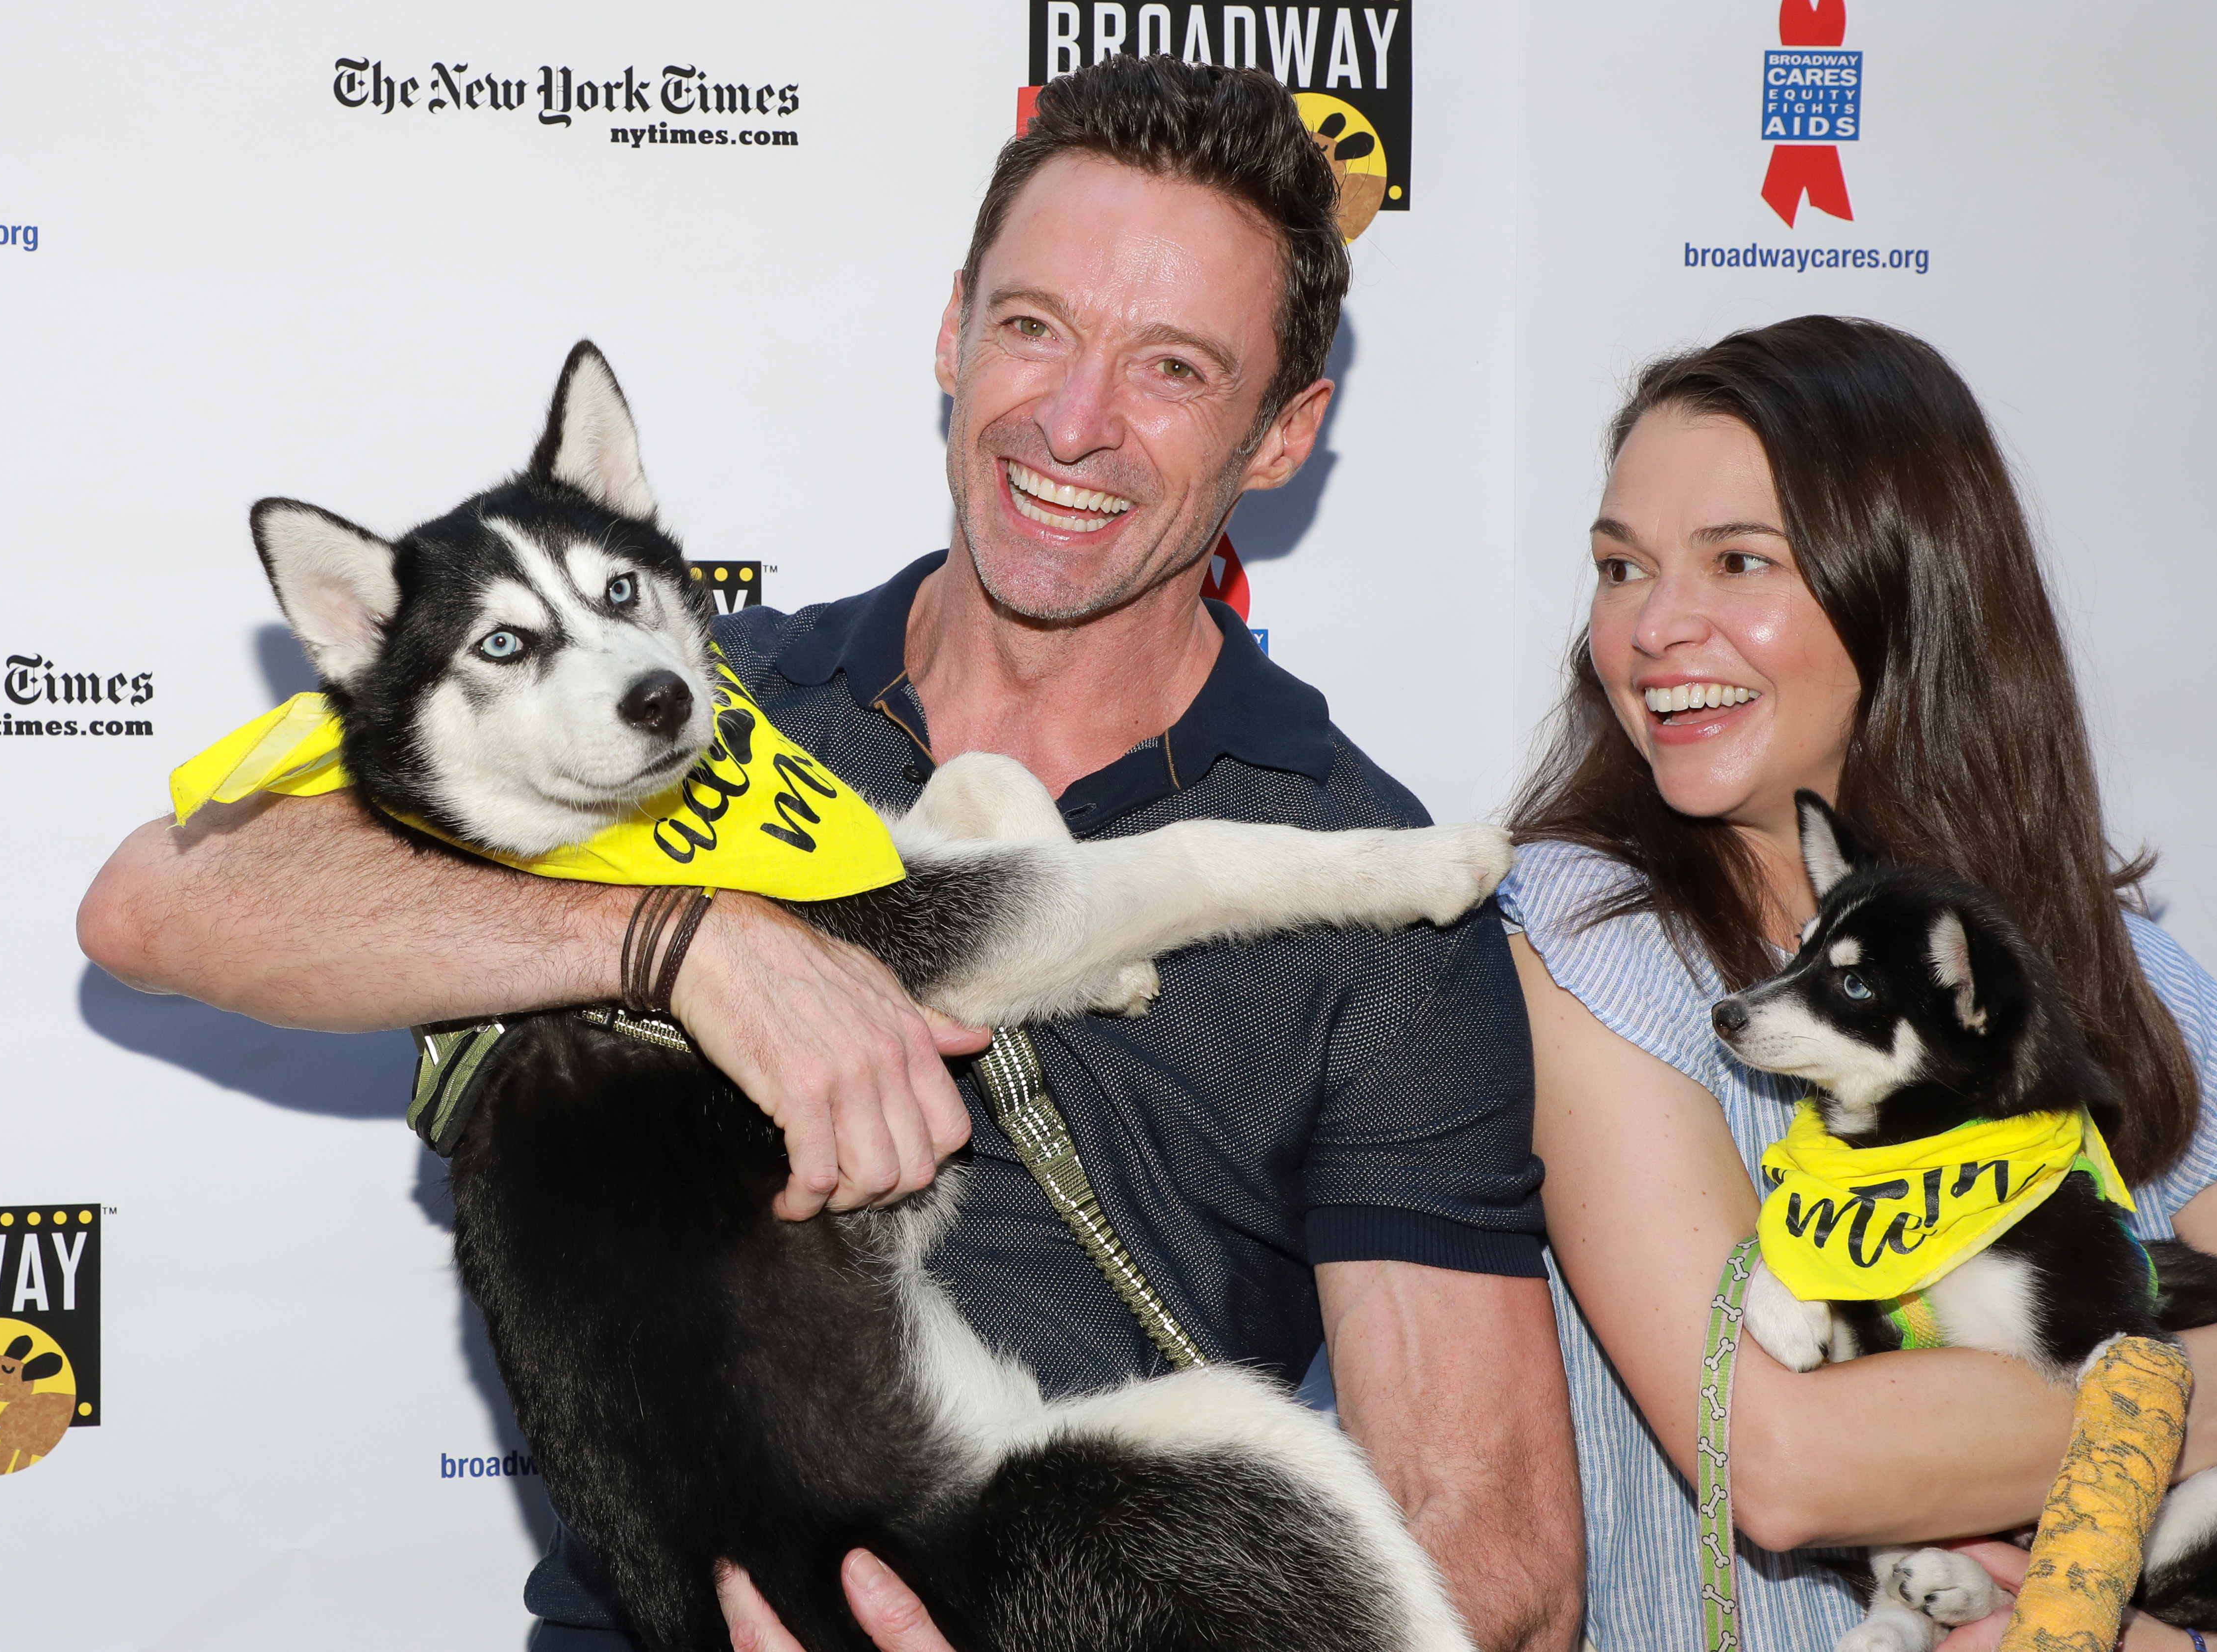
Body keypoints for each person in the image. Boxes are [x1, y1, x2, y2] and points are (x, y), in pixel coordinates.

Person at [78, 57, 1586, 1652]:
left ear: (1285, 435)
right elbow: (159, 900)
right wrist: (682, 942)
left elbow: (1500, 1575)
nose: (1073, 419)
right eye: (1032, 328)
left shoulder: (1375, 878)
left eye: (1173, 369)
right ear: (951, 331)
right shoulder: (664, 715)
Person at [1496, 314, 2217, 1650]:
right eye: (1622, 569)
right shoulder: (1582, 942)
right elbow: (1781, 1459)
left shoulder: (2123, 974)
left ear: (1906, 581)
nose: (1656, 629)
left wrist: (2177, 1646)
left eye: (1739, 561)